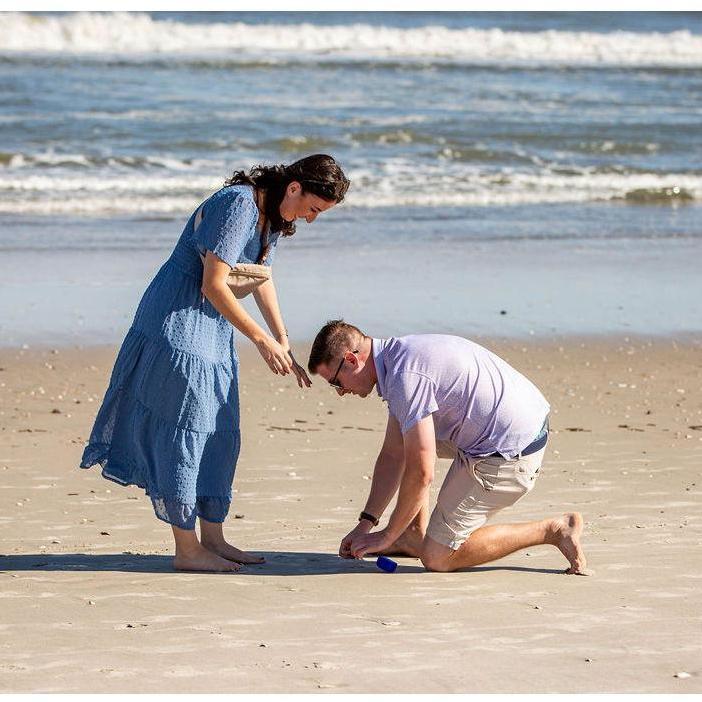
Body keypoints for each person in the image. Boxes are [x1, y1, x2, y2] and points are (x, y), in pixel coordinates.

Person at [81, 155, 350, 573]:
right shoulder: (239, 204)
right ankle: (187, 549)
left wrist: (281, 338)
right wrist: (260, 340)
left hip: (215, 325)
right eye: (313, 208)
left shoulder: (272, 215)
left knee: (220, 429)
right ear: (294, 187)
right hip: (178, 317)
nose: (311, 219)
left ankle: (214, 538)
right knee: (185, 428)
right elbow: (213, 284)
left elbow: (260, 276)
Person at [307, 320, 590, 575]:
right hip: (509, 425)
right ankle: (412, 533)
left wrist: (387, 535)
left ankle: (553, 530)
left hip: (512, 451)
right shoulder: (397, 358)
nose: (340, 392)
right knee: (408, 444)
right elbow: (394, 454)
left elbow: (422, 472)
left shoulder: (406, 379)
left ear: (351, 359)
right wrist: (366, 524)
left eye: (336, 382)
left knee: (437, 557)